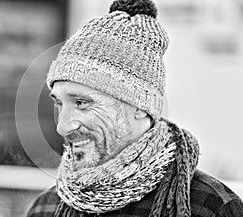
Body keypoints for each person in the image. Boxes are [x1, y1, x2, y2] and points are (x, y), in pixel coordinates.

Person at [26, 0, 243, 216]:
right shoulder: (46, 208)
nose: (63, 127)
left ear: (139, 105)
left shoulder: (209, 208)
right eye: (59, 103)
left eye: (81, 103)